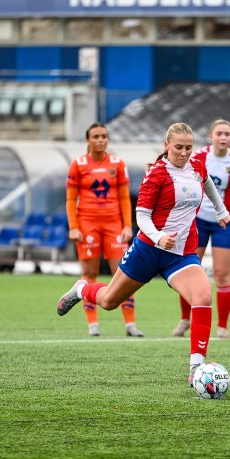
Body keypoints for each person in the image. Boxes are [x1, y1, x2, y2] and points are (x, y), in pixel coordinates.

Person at [56, 122, 230, 386]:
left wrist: (220, 210)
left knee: (203, 295)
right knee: (109, 301)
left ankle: (196, 368)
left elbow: (207, 185)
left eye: (188, 147)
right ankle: (82, 289)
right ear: (166, 146)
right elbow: (142, 216)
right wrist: (159, 236)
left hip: (180, 255)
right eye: (179, 147)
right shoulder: (157, 173)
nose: (184, 153)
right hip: (148, 251)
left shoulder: (197, 166)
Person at [171, 119, 230, 339]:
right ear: (211, 136)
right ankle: (184, 319)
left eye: (227, 133)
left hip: (225, 223)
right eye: (219, 133)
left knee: (222, 274)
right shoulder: (198, 157)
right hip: (196, 221)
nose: (223, 137)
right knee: (187, 270)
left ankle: (222, 327)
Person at [66, 122, 143, 337]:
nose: (101, 140)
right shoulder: (78, 165)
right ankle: (93, 325)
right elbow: (71, 199)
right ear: (88, 140)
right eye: (96, 136)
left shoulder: (117, 164)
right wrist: (73, 227)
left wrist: (128, 225)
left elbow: (124, 198)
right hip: (87, 224)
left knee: (124, 274)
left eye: (104, 136)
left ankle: (130, 325)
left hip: (113, 224)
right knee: (89, 273)